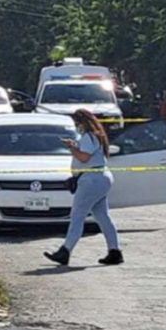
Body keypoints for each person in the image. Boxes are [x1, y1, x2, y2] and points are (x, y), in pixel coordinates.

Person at [44, 109, 124, 266]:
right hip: (100, 177)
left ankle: (65, 251)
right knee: (102, 216)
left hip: (91, 179)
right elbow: (86, 153)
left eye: (77, 123)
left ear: (83, 122)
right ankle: (114, 251)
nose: (76, 127)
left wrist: (71, 148)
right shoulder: (95, 136)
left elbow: (84, 157)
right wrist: (75, 145)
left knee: (77, 215)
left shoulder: (89, 136)